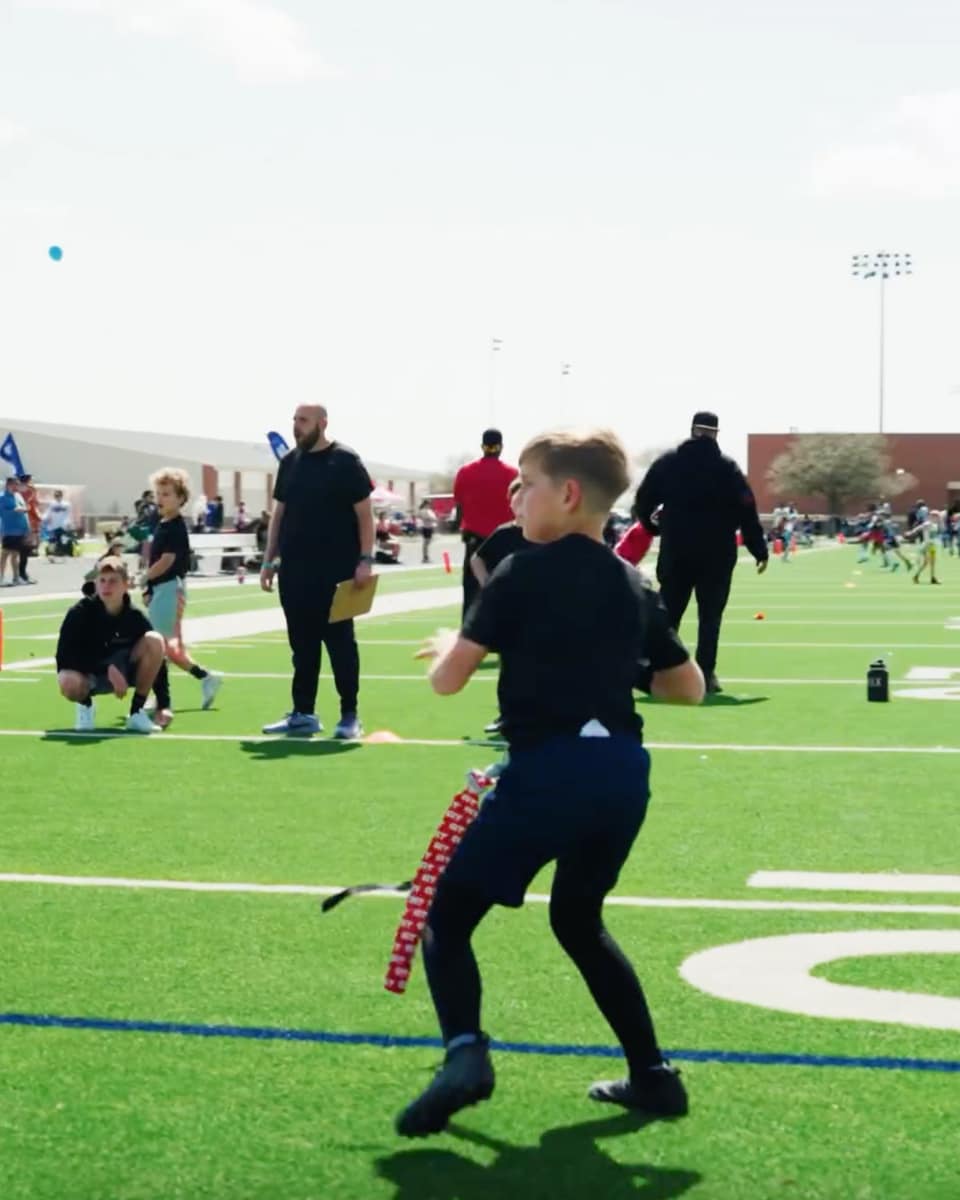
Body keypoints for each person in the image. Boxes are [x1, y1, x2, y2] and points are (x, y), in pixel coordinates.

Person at [397, 428, 704, 1138]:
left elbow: (448, 682)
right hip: (623, 776)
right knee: (577, 919)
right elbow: (685, 688)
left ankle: (466, 1055)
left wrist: (450, 646)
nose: (514, 497)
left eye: (526, 484)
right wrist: (612, 665)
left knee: (445, 917)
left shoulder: (519, 571)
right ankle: (653, 1075)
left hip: (550, 774)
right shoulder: (635, 584)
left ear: (566, 496)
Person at [260, 404, 375, 740]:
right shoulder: (290, 463)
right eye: (294, 420)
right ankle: (303, 713)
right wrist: (269, 560)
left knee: (340, 644)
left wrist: (365, 559)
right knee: (303, 648)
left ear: (322, 424)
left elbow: (365, 515)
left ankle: (349, 715)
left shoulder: (346, 461)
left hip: (338, 573)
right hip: (294, 573)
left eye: (303, 421)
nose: (296, 427)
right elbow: (278, 515)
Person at [633, 411, 768, 694]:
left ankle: (659, 671)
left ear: (692, 431)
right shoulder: (727, 468)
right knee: (710, 616)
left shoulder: (668, 463)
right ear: (716, 433)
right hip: (717, 553)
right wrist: (759, 549)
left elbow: (643, 500)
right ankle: (706, 674)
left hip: (676, 549)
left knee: (669, 612)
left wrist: (651, 526)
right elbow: (747, 509)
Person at [141, 468, 223, 727]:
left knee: (157, 646)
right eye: (159, 493)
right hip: (161, 590)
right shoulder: (162, 523)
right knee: (169, 648)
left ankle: (163, 698)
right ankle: (206, 678)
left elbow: (167, 561)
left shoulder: (176, 526)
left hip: (170, 589)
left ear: (180, 498)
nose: (161, 498)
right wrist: (148, 588)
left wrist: (144, 577)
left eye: (166, 494)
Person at [55, 556, 166, 733]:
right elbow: (64, 658)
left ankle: (136, 712)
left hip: (126, 674)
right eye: (102, 580)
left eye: (113, 581)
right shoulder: (79, 613)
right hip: (90, 676)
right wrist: (106, 668)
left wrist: (164, 703)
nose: (106, 586)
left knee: (155, 640)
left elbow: (157, 657)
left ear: (125, 585)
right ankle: (85, 706)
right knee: (66, 679)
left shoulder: (135, 616)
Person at [453, 429, 519, 621]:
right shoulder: (512, 474)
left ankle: (469, 631)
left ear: (482, 446)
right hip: (505, 537)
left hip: (475, 537)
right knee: (506, 585)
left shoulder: (466, 472)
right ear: (501, 447)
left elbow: (459, 505)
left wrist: (461, 527)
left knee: (472, 587)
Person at [0, 476, 29, 586]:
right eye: (15, 484)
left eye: (17, 484)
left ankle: (16, 578)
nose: (17, 486)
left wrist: (27, 529)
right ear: (9, 485)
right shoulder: (2, 497)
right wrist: (14, 511)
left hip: (20, 530)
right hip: (8, 530)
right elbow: (3, 513)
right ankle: (1, 578)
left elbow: (24, 509)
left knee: (15, 555)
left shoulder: (17, 496)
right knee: (5, 555)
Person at [17, 473, 40, 583]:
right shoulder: (30, 491)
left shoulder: (15, 491)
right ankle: (21, 574)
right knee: (23, 550)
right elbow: (32, 506)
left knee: (15, 552)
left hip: (19, 523)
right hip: (25, 523)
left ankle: (20, 574)